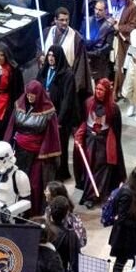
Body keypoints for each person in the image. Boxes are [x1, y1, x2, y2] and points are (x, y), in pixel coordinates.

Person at [5, 80, 62, 215]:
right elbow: (11, 128)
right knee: (17, 181)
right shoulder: (19, 106)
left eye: (33, 95)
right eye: (28, 94)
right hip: (19, 152)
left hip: (37, 155)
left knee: (34, 184)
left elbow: (52, 136)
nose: (30, 97)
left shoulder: (48, 111)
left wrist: (44, 154)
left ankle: (33, 212)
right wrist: (7, 147)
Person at [74, 78, 126, 208]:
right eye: (97, 89)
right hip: (90, 140)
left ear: (107, 91)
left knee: (101, 168)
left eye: (101, 90)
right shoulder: (88, 103)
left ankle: (92, 196)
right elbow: (83, 121)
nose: (98, 92)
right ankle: (90, 193)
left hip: (104, 142)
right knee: (89, 166)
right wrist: (80, 136)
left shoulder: (113, 108)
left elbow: (116, 129)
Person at [39, 44, 80, 182]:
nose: (51, 58)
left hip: (60, 117)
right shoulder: (44, 71)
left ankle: (61, 173)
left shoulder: (67, 74)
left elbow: (67, 99)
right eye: (49, 55)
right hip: (44, 115)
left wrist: (59, 120)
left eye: (53, 56)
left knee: (60, 146)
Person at [86, 0, 117, 82]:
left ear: (106, 11)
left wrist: (96, 52)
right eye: (96, 9)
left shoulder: (108, 26)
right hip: (86, 54)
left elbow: (108, 45)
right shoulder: (88, 20)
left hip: (99, 59)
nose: (97, 12)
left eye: (100, 10)